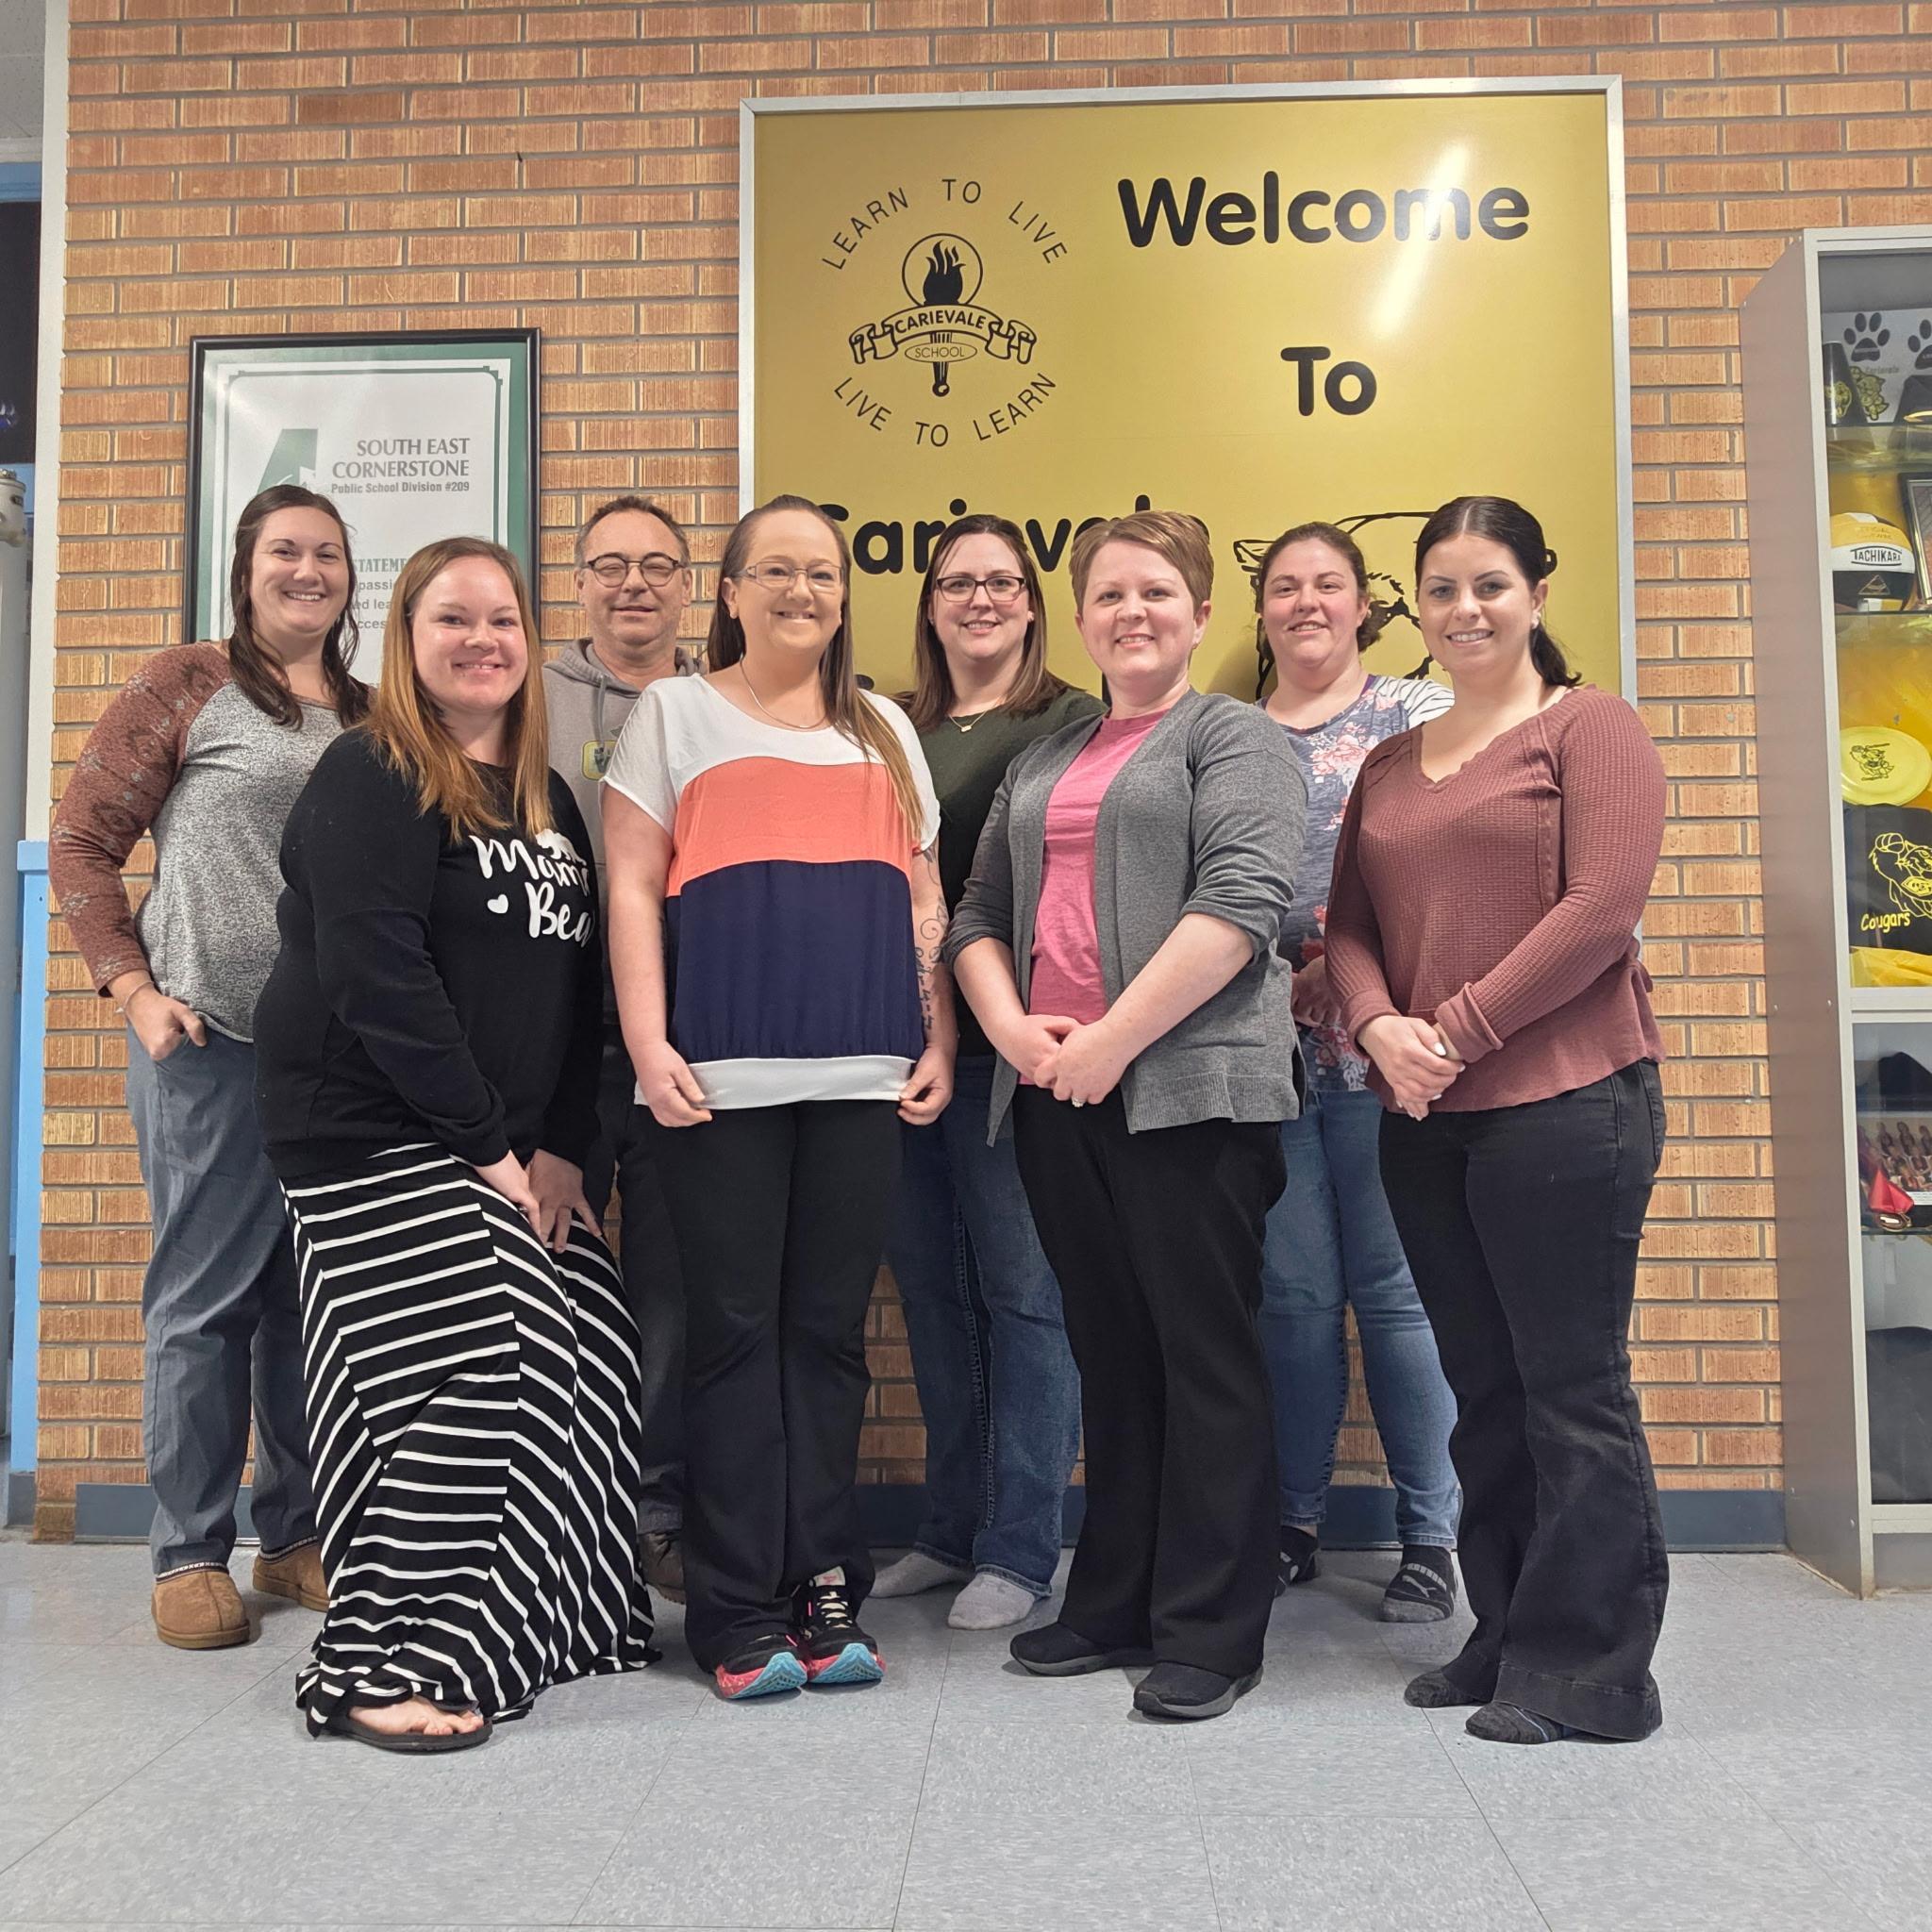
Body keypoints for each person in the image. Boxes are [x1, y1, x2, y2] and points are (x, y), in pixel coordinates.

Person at [253, 537, 656, 1751]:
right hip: (368, 1134)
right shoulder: (371, 769)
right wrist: (490, 1149)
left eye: (501, 619)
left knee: (596, 1347)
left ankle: (552, 1620)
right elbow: (376, 974)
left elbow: (581, 992)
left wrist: (567, 1150)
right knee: (486, 1363)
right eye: (452, 618)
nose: (481, 639)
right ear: (407, 637)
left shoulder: (546, 799)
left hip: (508, 1143)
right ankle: (381, 1660)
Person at [946, 509, 1304, 1722]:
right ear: (1080, 617)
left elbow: (1243, 900)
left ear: (1199, 613)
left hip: (1188, 1092)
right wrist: (1011, 1029)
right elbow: (977, 911)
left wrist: (1110, 1040)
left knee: (1203, 1356)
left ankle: (1212, 1627)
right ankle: (1114, 1600)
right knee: (1110, 1350)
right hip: (1055, 1094)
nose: (1130, 612)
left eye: (1154, 592)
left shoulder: (1233, 735)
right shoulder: (1047, 755)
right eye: (1107, 594)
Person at [1324, 495, 1670, 1746]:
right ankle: (1508, 1629)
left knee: (1571, 1390)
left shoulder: (1590, 727)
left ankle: (1595, 1672)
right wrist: (1378, 1028)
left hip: (1566, 1105)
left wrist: (1453, 1032)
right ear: (1413, 605)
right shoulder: (1389, 764)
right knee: (1484, 1390)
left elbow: (1599, 911)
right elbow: (1347, 926)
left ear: (1536, 593)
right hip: (1424, 1117)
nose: (1463, 609)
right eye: (1441, 588)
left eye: (1489, 585)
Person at [602, 493, 951, 1701]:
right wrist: (647, 1040)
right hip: (719, 1079)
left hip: (863, 1075)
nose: (803, 590)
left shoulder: (884, 729)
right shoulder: (673, 711)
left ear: (843, 598)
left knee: (827, 1338)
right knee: (734, 1337)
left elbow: (923, 897)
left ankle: (822, 1587)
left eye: (823, 573)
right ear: (732, 592)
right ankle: (736, 1605)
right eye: (777, 570)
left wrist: (938, 1030)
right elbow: (633, 885)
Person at [49, 484, 367, 1652]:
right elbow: (82, 841)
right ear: (246, 568)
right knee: (204, 1303)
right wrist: (133, 992)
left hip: (332, 1061)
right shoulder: (189, 682)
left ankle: (293, 1536)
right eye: (285, 549)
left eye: (327, 553)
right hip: (207, 1044)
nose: (306, 569)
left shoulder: (372, 715)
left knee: (304, 1305)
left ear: (350, 578)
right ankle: (188, 1549)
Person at [872, 515, 1099, 1631]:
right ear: (928, 603)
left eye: (1002, 581)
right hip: (897, 1048)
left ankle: (1018, 1542)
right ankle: (947, 1525)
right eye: (957, 581)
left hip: (1013, 1049)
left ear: (1031, 601)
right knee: (930, 1292)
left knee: (1022, 1294)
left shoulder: (1067, 721)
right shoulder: (888, 724)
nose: (979, 599)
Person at [1252, 523, 1462, 1620]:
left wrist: (1341, 966)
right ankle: (1292, 1522)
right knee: (1290, 1298)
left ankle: (1430, 1535)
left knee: (1396, 1295)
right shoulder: (1227, 732)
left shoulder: (1415, 715)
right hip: (1265, 1060)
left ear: (1362, 603)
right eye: (1284, 585)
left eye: (1325, 583)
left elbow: (1447, 867)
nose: (1305, 602)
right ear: (1259, 610)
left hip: (1387, 1053)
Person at [544, 491, 693, 1604]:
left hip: (685, 1041)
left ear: (688, 586)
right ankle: (553, 1515)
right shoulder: (527, 697)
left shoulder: (717, 701)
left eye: (655, 565)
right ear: (580, 580)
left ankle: (655, 1511)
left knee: (673, 1293)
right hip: (547, 1045)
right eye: (609, 564)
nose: (632, 583)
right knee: (544, 1276)